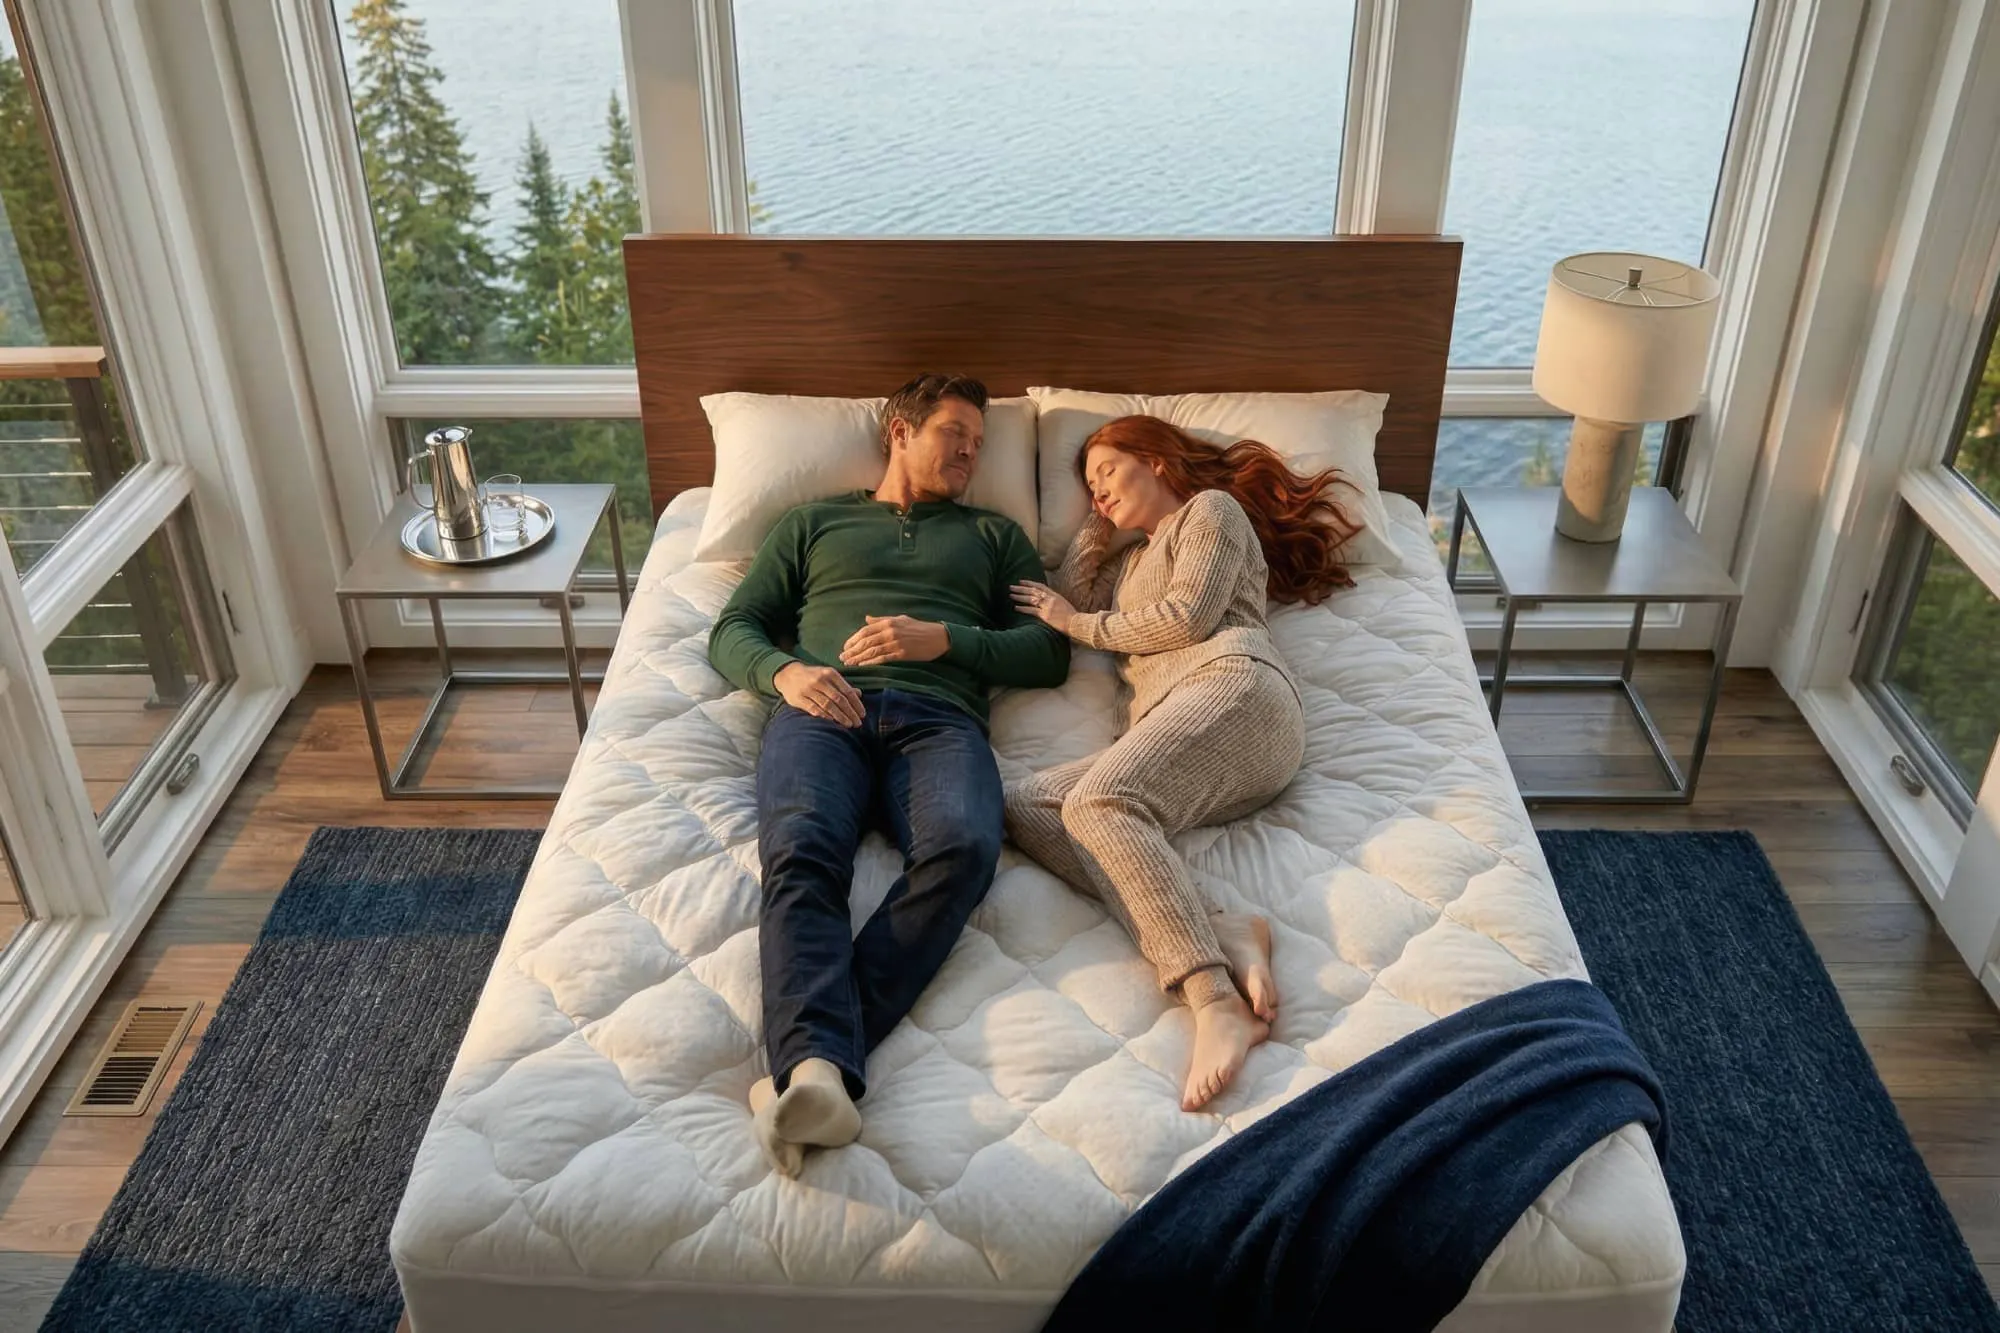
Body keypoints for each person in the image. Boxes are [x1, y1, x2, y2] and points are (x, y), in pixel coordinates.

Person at [708, 373, 1070, 1176]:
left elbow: (1049, 650)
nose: (971, 454)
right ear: (898, 432)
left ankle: (813, 1067)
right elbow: (733, 626)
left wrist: (944, 640)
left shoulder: (992, 536)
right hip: (819, 708)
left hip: (939, 719)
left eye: (980, 444)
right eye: (954, 434)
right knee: (801, 852)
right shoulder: (813, 522)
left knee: (965, 849)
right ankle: (814, 1072)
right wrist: (784, 675)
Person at [1006, 414, 1361, 1111]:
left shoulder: (1211, 512)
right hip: (1178, 732)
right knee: (1023, 804)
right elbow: (1078, 600)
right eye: (1087, 485)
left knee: (1100, 802)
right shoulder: (1130, 564)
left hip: (1238, 690)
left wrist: (1073, 622)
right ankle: (1222, 922)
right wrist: (1091, 530)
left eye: (1108, 471)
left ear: (1159, 461)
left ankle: (1214, 999)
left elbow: (1187, 618)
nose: (1098, 491)